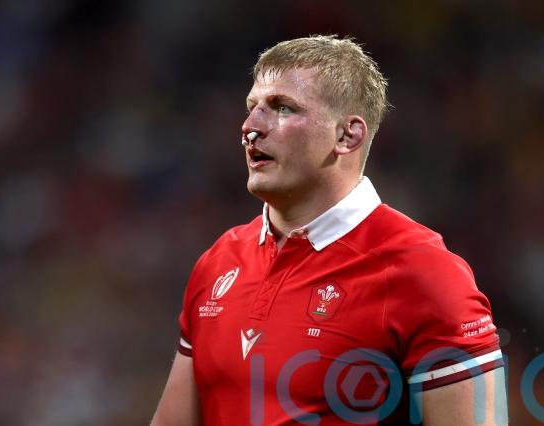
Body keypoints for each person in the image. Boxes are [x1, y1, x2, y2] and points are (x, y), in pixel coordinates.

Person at [151, 35, 507, 425]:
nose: (250, 127)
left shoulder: (422, 272)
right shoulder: (219, 261)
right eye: (252, 108)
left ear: (347, 135)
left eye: (282, 108)